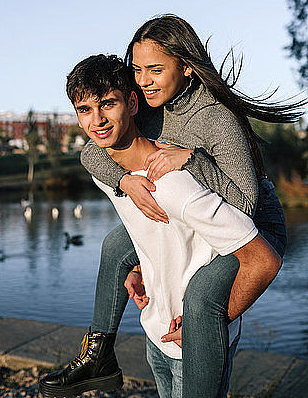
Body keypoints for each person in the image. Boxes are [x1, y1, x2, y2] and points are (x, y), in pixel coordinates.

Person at [39, 54, 282, 398]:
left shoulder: (175, 184)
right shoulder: (107, 174)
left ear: (132, 103)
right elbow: (148, 229)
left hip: (192, 342)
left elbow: (264, 260)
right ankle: (99, 353)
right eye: (84, 110)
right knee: (113, 246)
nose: (97, 121)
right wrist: (141, 263)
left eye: (107, 105)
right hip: (155, 331)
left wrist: (210, 323)